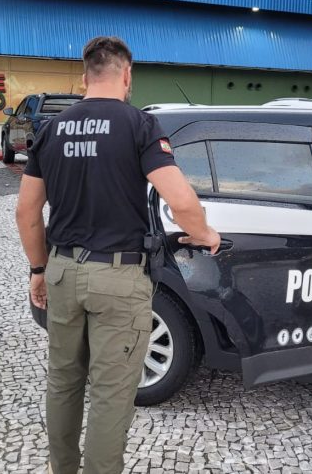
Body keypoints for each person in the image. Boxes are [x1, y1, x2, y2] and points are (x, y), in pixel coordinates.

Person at [16, 36, 220, 474]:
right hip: (118, 277)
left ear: (85, 75)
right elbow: (181, 203)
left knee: (64, 383)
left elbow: (27, 211)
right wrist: (205, 234)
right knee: (111, 392)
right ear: (127, 76)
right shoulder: (139, 125)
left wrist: (38, 269)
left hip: (62, 271)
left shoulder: (52, 128)